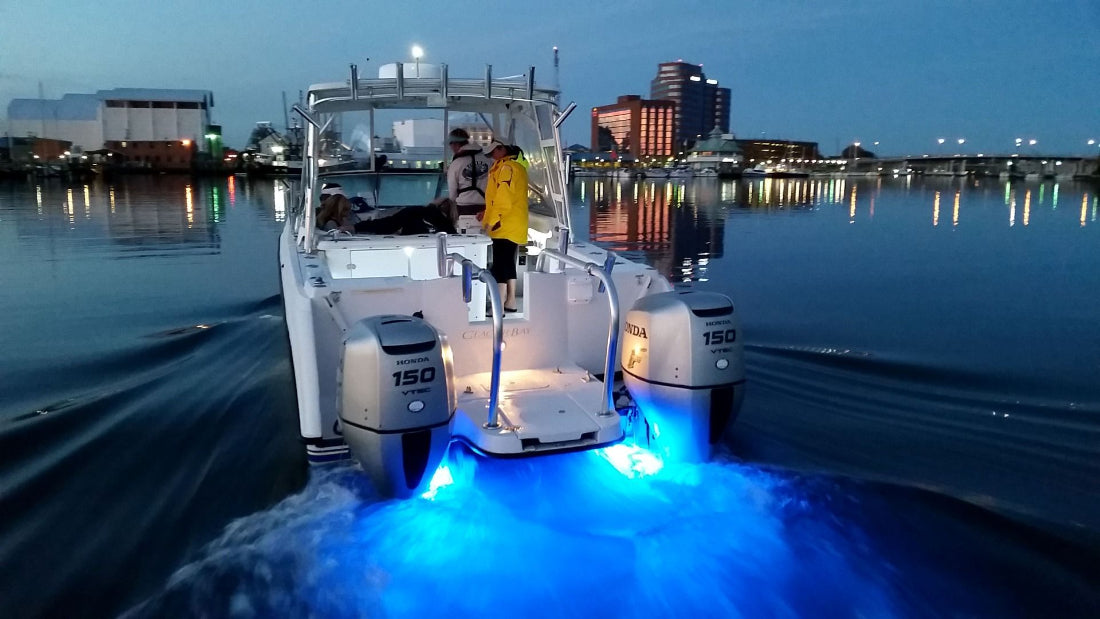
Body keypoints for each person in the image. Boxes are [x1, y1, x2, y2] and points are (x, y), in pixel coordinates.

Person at [482, 138, 529, 313]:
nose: (492, 157)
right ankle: (510, 302)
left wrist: (492, 221)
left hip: (504, 224)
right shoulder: (517, 167)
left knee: (500, 264)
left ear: (502, 149)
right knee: (508, 263)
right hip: (514, 223)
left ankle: (498, 306)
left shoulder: (507, 169)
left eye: (493, 152)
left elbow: (503, 200)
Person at [445, 128, 491, 231]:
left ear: (455, 144)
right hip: (487, 207)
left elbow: (452, 193)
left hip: (465, 208)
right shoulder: (489, 160)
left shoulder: (456, 164)